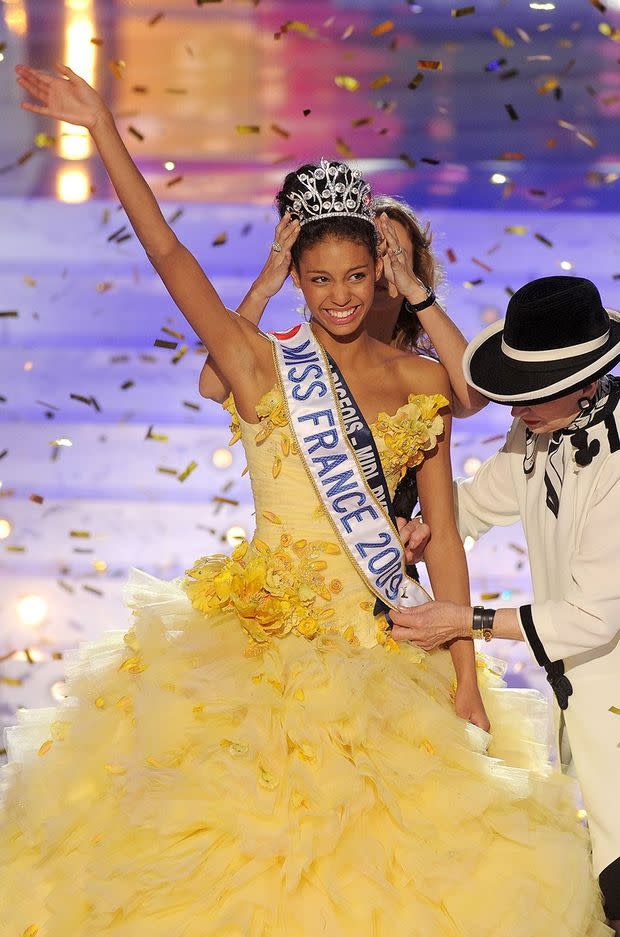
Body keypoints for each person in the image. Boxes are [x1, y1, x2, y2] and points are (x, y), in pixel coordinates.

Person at [1, 63, 610, 936]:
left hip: (384, 647)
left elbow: (443, 541)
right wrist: (101, 127)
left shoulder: (422, 380)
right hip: (257, 649)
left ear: (381, 272)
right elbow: (168, 251)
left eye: (357, 275)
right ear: (297, 279)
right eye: (320, 279)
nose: (340, 295)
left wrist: (467, 678)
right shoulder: (258, 365)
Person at [392, 275, 620, 933]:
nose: (513, 409)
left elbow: (592, 615)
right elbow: (475, 502)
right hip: (584, 701)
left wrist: (468, 620)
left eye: (530, 395)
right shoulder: (537, 427)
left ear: (585, 381)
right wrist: (416, 525)